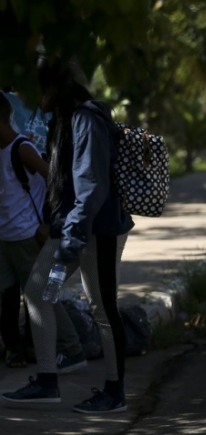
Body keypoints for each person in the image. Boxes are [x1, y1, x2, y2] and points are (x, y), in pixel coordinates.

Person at [3, 62, 134, 413]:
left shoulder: (86, 119)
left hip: (97, 230)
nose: (28, 99)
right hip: (71, 228)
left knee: (102, 308)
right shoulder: (63, 121)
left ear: (51, 90)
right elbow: (63, 178)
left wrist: (69, 240)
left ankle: (114, 391)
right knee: (37, 291)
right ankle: (47, 381)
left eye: (34, 92)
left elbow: (90, 188)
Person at [0, 90, 84, 372]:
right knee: (10, 297)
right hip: (6, 238)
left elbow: (55, 182)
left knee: (39, 295)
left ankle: (68, 350)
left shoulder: (22, 149)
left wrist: (50, 223)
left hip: (26, 237)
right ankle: (20, 350)